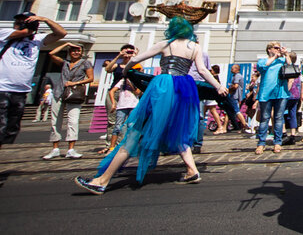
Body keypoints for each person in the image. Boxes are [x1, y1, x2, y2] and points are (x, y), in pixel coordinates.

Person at [74, 17, 227, 194]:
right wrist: (218, 86)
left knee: (136, 132)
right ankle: (192, 171)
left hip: (164, 86)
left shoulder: (165, 44)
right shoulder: (195, 47)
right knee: (177, 129)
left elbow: (137, 58)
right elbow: (202, 70)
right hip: (184, 88)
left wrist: (125, 71)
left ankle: (101, 180)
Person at [0, 13, 66, 148]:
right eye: (22, 21)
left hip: (21, 90)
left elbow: (61, 33)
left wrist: (46, 19)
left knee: (10, 129)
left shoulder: (37, 39)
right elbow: (23, 32)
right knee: (0, 127)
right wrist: (29, 27)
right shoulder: (5, 33)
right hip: (2, 87)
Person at [42, 42, 93, 159]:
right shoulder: (65, 63)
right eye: (73, 50)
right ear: (69, 52)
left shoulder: (86, 63)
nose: (76, 52)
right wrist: (66, 44)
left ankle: (71, 149)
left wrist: (75, 83)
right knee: (55, 121)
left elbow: (90, 78)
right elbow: (51, 53)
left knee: (73, 121)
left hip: (74, 94)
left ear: (82, 52)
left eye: (78, 50)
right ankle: (55, 148)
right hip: (59, 93)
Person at [101, 44, 139, 153]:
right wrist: (118, 56)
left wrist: (134, 56)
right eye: (126, 51)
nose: (128, 53)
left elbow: (139, 69)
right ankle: (109, 145)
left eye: (130, 51)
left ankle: (121, 144)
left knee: (127, 121)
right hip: (115, 91)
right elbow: (107, 69)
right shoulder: (117, 65)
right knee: (112, 120)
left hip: (129, 92)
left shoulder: (134, 65)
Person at [255, 41, 289, 154]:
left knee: (279, 118)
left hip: (281, 93)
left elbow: (290, 65)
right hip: (266, 93)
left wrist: (286, 54)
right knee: (265, 118)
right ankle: (261, 143)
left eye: (279, 48)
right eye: (276, 48)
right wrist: (274, 57)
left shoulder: (282, 60)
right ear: (269, 49)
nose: (278, 49)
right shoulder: (263, 61)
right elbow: (263, 66)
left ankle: (277, 142)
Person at [106, 75, 141, 152]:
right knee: (118, 126)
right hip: (122, 106)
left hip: (133, 106)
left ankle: (130, 146)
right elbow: (111, 91)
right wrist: (113, 103)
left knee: (131, 126)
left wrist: (131, 84)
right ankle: (112, 147)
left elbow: (138, 92)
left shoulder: (137, 82)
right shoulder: (122, 81)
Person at [283, 52, 301, 146]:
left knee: (280, 113)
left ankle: (283, 133)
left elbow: (290, 80)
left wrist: (286, 92)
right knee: (292, 114)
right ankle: (293, 134)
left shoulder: (288, 67)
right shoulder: (297, 67)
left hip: (289, 94)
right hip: (296, 94)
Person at [227, 64, 251, 133]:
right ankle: (233, 126)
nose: (231, 70)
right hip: (235, 96)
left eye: (232, 68)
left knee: (237, 111)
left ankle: (245, 125)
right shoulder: (236, 76)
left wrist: (229, 89)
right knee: (230, 111)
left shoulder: (237, 76)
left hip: (235, 96)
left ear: (237, 69)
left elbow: (236, 86)